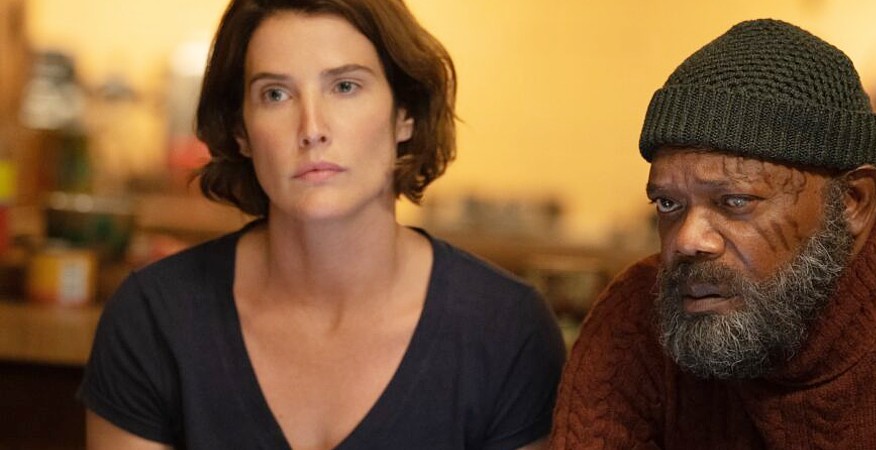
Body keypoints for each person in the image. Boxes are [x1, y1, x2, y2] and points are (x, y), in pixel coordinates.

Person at [78, 0, 565, 448]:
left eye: (345, 86)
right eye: (275, 94)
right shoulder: (154, 318)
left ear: (406, 114)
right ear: (241, 131)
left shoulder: (506, 330)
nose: (312, 129)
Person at [551, 18, 876, 449]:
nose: (687, 240)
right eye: (668, 204)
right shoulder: (636, 316)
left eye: (735, 201)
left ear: (853, 201)